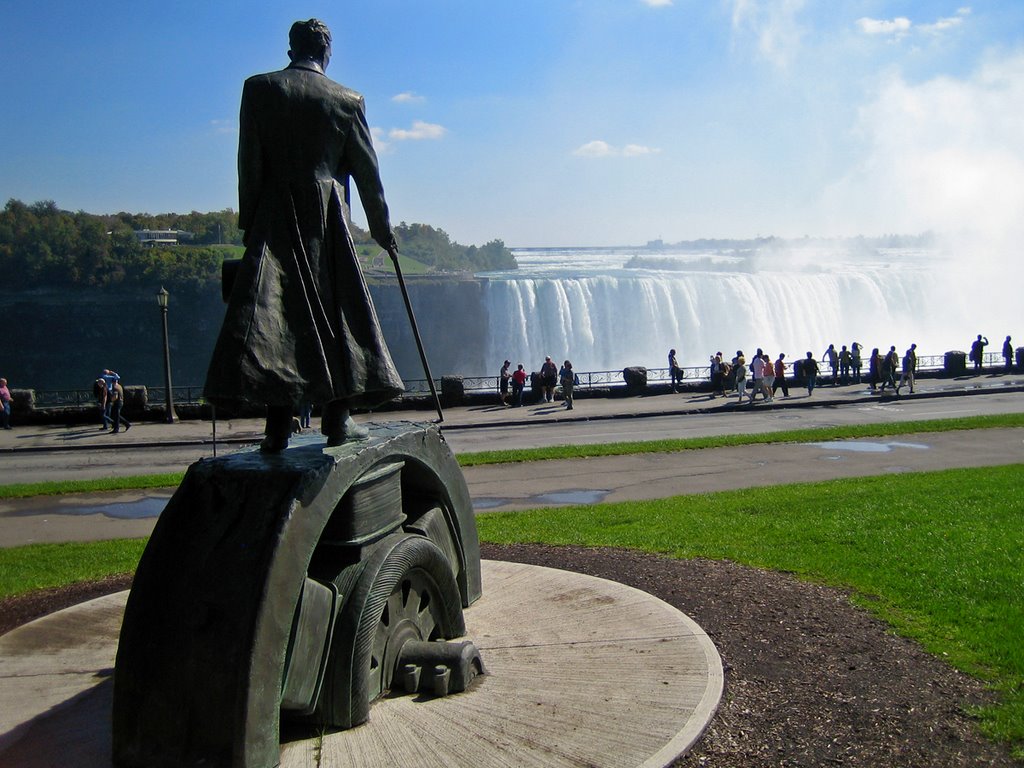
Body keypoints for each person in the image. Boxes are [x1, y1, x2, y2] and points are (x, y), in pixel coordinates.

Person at [204, 19, 403, 452]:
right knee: (339, 313)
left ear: (292, 47)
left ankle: (277, 425)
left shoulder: (259, 89)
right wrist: (383, 230)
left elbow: (249, 165)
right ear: (326, 52)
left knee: (278, 319)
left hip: (275, 213)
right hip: (328, 215)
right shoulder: (347, 100)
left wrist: (251, 224)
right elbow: (369, 174)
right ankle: (339, 418)